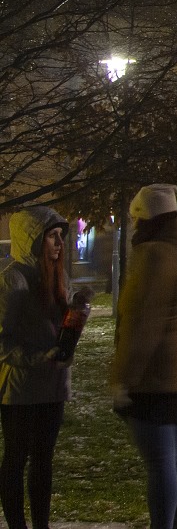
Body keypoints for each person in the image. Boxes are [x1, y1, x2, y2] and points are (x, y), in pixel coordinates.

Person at [111, 185, 177, 529]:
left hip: (155, 376)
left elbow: (144, 324)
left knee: (160, 464)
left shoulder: (154, 254)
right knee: (174, 458)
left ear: (143, 219)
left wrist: (124, 378)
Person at [0, 206, 87, 529]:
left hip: (52, 386)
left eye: (60, 236)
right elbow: (2, 342)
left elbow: (59, 327)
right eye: (51, 236)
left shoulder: (58, 276)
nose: (58, 243)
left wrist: (76, 319)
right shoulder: (12, 282)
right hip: (21, 390)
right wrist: (38, 358)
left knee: (43, 461)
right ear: (32, 239)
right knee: (16, 459)